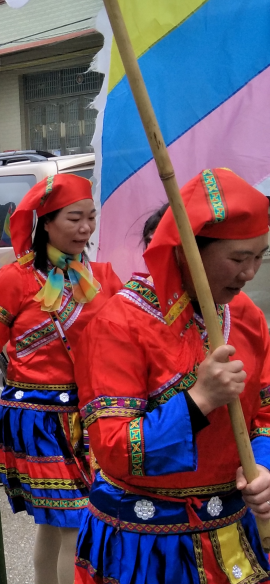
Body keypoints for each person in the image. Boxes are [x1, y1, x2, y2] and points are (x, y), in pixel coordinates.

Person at [73, 169, 270, 584]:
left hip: (233, 530)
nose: (250, 272)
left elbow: (266, 412)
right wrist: (198, 401)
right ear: (186, 251)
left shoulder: (247, 318)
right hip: (145, 543)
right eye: (238, 258)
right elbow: (112, 448)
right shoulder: (119, 324)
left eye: (260, 255)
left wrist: (264, 468)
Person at [0, 174, 123, 584]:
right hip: (37, 419)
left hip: (90, 417)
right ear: (46, 222)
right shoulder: (16, 278)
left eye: (91, 218)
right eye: (74, 218)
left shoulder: (104, 276)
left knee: (57, 521)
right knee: (77, 521)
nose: (85, 228)